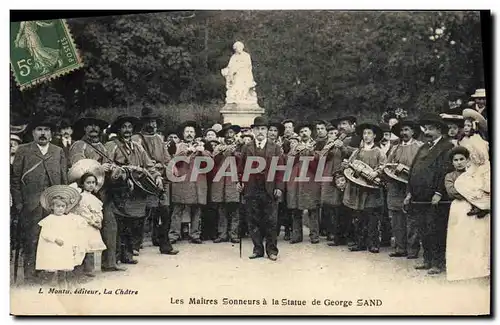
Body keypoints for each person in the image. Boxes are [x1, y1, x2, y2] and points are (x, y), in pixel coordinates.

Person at [11, 114, 68, 283]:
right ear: (33, 133)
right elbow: (15, 180)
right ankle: (31, 276)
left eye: (46, 130)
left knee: (53, 239)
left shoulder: (58, 151)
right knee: (32, 239)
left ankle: (48, 274)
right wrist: (20, 203)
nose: (43, 133)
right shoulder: (23, 150)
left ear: (51, 134)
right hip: (30, 205)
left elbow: (64, 179)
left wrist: (64, 202)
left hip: (54, 205)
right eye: (39, 129)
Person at [69, 113, 126, 272]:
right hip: (84, 193)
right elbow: (78, 169)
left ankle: (110, 263)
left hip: (101, 193)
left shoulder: (102, 147)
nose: (94, 129)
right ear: (84, 128)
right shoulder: (78, 146)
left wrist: (115, 170)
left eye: (97, 126)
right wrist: (100, 169)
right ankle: (85, 268)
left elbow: (109, 166)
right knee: (85, 227)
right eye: (90, 125)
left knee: (110, 225)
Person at [105, 115, 163, 264]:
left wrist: (156, 176)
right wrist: (120, 171)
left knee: (135, 223)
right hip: (120, 191)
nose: (127, 130)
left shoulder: (138, 147)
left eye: (130, 127)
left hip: (137, 191)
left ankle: (129, 253)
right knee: (120, 224)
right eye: (124, 127)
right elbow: (107, 165)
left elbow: (149, 165)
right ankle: (117, 256)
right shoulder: (112, 146)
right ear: (118, 129)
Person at [404, 113, 454, 275]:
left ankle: (438, 262)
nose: (427, 132)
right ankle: (427, 259)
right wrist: (410, 193)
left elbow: (446, 172)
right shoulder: (424, 147)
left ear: (439, 130)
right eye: (426, 129)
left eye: (431, 129)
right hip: (419, 197)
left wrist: (439, 192)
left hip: (435, 197)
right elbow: (413, 171)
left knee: (436, 229)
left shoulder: (447, 147)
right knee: (423, 229)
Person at [132, 106, 179, 256]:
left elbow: (167, 158)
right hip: (144, 180)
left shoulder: (159, 139)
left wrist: (166, 166)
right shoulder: (136, 139)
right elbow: (137, 159)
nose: (152, 125)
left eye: (154, 122)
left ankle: (164, 244)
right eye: (149, 122)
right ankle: (135, 244)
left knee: (165, 212)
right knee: (142, 213)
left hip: (161, 180)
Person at [238, 116, 284, 261]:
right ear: (253, 130)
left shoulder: (275, 148)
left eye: (263, 128)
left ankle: (271, 250)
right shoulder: (247, 147)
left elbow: (280, 169)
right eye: (257, 128)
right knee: (253, 219)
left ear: (267, 130)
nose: (260, 131)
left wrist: (279, 187)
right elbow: (241, 168)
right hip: (252, 187)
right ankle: (257, 248)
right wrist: (239, 182)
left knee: (271, 220)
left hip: (269, 188)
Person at [446, 142, 490, 281]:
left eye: (462, 159)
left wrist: (480, 199)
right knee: (460, 237)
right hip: (460, 208)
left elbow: (483, 188)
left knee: (475, 236)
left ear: (467, 160)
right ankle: (459, 269)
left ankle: (476, 268)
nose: (459, 163)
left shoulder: (474, 174)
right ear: (452, 162)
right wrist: (471, 195)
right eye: (456, 160)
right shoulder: (450, 176)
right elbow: (452, 192)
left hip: (477, 208)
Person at [343, 121, 386, 253]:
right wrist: (346, 166)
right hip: (358, 188)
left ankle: (373, 243)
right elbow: (350, 164)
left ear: (374, 136)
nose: (366, 136)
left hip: (372, 189)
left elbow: (383, 166)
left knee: (372, 216)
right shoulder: (357, 152)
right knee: (359, 216)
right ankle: (360, 242)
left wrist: (376, 172)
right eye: (364, 133)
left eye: (369, 133)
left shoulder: (379, 152)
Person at [384, 120, 423, 258]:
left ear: (413, 131)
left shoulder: (419, 147)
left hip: (411, 186)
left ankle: (413, 249)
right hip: (395, 186)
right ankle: (400, 248)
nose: (403, 133)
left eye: (406, 130)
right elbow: (387, 164)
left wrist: (406, 169)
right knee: (396, 218)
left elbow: (422, 167)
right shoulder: (394, 148)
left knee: (411, 218)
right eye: (401, 131)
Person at [36, 185, 87, 288]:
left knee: (63, 266)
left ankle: (62, 286)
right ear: (52, 207)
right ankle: (49, 286)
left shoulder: (67, 219)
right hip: (52, 247)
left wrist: (73, 244)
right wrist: (55, 239)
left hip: (64, 247)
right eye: (57, 206)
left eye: (63, 206)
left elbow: (71, 232)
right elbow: (45, 234)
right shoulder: (49, 219)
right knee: (52, 266)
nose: (60, 209)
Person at [169, 121, 211, 244]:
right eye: (187, 131)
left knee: (197, 209)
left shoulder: (201, 146)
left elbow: (210, 160)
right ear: (183, 133)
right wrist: (188, 151)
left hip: (197, 181)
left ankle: (195, 234)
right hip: (182, 181)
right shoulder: (178, 146)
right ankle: (174, 235)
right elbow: (175, 160)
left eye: (191, 132)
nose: (189, 134)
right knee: (178, 208)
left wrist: (201, 151)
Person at [287, 123, 321, 244]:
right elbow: (288, 162)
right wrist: (295, 151)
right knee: (296, 208)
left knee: (313, 208)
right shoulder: (295, 145)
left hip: (311, 179)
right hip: (297, 180)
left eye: (306, 131)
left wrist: (311, 152)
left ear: (311, 132)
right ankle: (296, 235)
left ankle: (314, 236)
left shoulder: (316, 145)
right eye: (301, 132)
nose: (304, 133)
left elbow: (320, 162)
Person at [211, 123, 243, 243]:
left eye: (231, 133)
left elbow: (244, 161)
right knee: (221, 208)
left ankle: (234, 234)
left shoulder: (240, 146)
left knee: (235, 208)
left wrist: (235, 153)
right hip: (221, 181)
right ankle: (222, 234)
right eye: (227, 133)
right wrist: (221, 152)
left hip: (234, 179)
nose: (229, 136)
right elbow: (213, 162)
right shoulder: (218, 147)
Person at [70, 173, 107, 277]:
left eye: (93, 183)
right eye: (88, 183)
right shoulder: (81, 197)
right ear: (83, 184)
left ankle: (89, 269)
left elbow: (98, 212)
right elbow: (84, 212)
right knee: (83, 246)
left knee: (91, 246)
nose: (91, 185)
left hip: (92, 226)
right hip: (85, 225)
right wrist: (93, 221)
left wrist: (99, 220)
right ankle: (81, 269)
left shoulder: (95, 198)